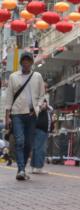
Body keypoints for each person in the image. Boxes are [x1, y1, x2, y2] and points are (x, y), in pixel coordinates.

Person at [4, 53, 47, 181]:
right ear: (21, 62)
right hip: (17, 113)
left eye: (28, 61)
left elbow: (41, 96)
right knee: (20, 141)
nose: (26, 63)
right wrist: (7, 116)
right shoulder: (13, 77)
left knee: (28, 143)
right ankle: (21, 170)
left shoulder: (37, 76)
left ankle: (22, 169)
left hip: (31, 115)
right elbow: (9, 96)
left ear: (31, 63)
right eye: (24, 60)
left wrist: (37, 108)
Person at [31, 99, 52, 175]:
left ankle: (34, 167)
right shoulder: (39, 106)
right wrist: (42, 105)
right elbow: (41, 108)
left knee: (37, 148)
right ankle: (38, 167)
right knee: (40, 149)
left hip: (43, 130)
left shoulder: (47, 109)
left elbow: (51, 108)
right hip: (41, 130)